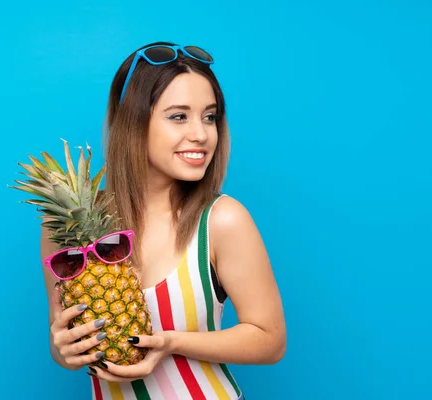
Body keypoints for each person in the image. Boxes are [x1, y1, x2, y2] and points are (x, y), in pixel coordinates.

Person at [40, 41, 286, 400]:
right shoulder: (69, 230)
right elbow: (63, 343)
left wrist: (170, 342)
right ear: (133, 124)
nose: (201, 135)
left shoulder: (222, 220)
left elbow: (270, 340)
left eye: (210, 116)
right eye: (178, 116)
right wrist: (63, 351)